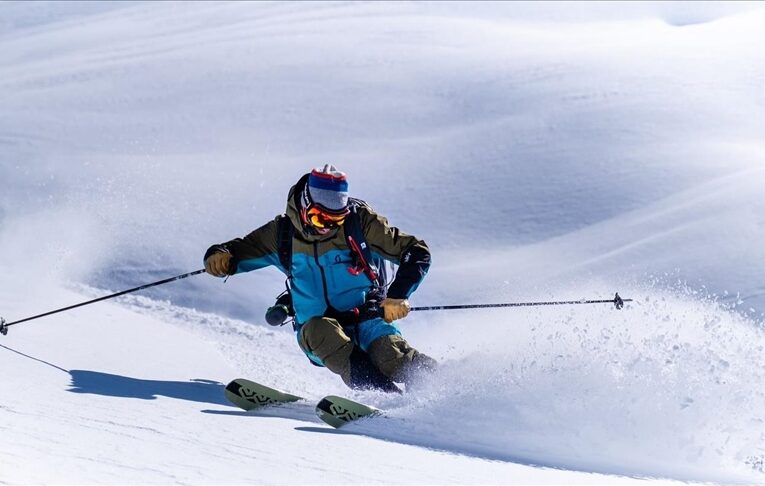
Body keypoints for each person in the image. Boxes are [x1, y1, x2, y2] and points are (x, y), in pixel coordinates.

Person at [204, 164, 436, 392]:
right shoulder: (281, 235)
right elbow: (236, 252)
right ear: (305, 207)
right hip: (316, 328)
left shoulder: (359, 224)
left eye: (336, 220)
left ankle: (448, 387)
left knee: (392, 356)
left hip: (367, 317)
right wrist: (219, 255)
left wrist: (398, 295)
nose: (326, 228)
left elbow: (416, 251)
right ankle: (386, 399)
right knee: (323, 333)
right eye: (318, 218)